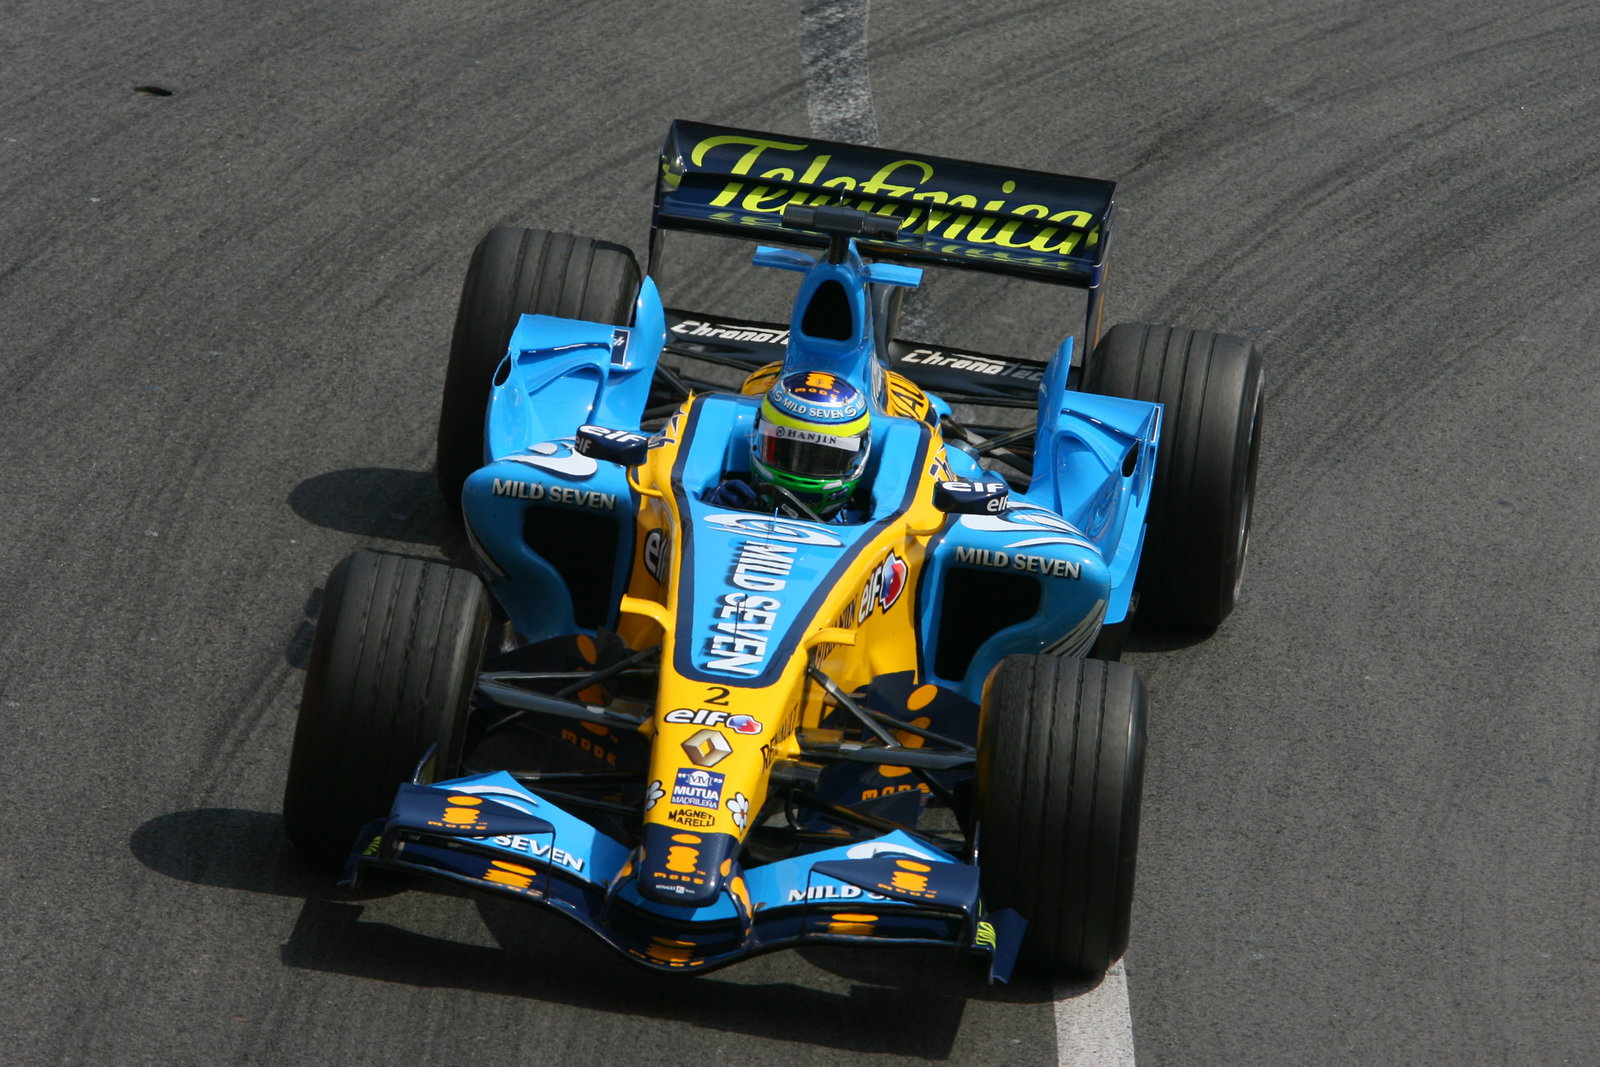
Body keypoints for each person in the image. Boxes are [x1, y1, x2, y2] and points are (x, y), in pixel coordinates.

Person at [705, 370, 872, 522]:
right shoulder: (730, 499)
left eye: (828, 459)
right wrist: (711, 507)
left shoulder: (867, 524)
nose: (803, 468)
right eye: (784, 452)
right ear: (757, 435)